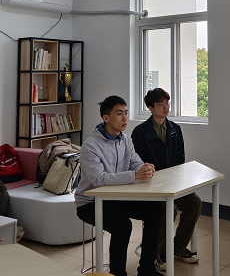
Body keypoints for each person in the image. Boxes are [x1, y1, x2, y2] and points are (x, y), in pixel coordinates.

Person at [75, 95, 164, 276]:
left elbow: (135, 162)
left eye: (126, 113)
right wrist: (134, 175)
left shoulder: (126, 140)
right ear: (106, 118)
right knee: (123, 226)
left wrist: (145, 168)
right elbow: (99, 179)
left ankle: (147, 269)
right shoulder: (90, 146)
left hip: (115, 197)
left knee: (156, 209)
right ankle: (117, 273)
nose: (125, 118)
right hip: (90, 202)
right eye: (119, 113)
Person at [131, 88, 202, 271]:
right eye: (160, 104)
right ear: (150, 108)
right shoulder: (140, 132)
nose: (166, 107)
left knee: (194, 202)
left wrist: (173, 180)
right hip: (150, 186)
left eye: (167, 103)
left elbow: (180, 159)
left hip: (172, 184)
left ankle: (176, 248)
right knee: (164, 208)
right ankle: (157, 252)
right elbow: (136, 163)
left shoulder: (175, 129)